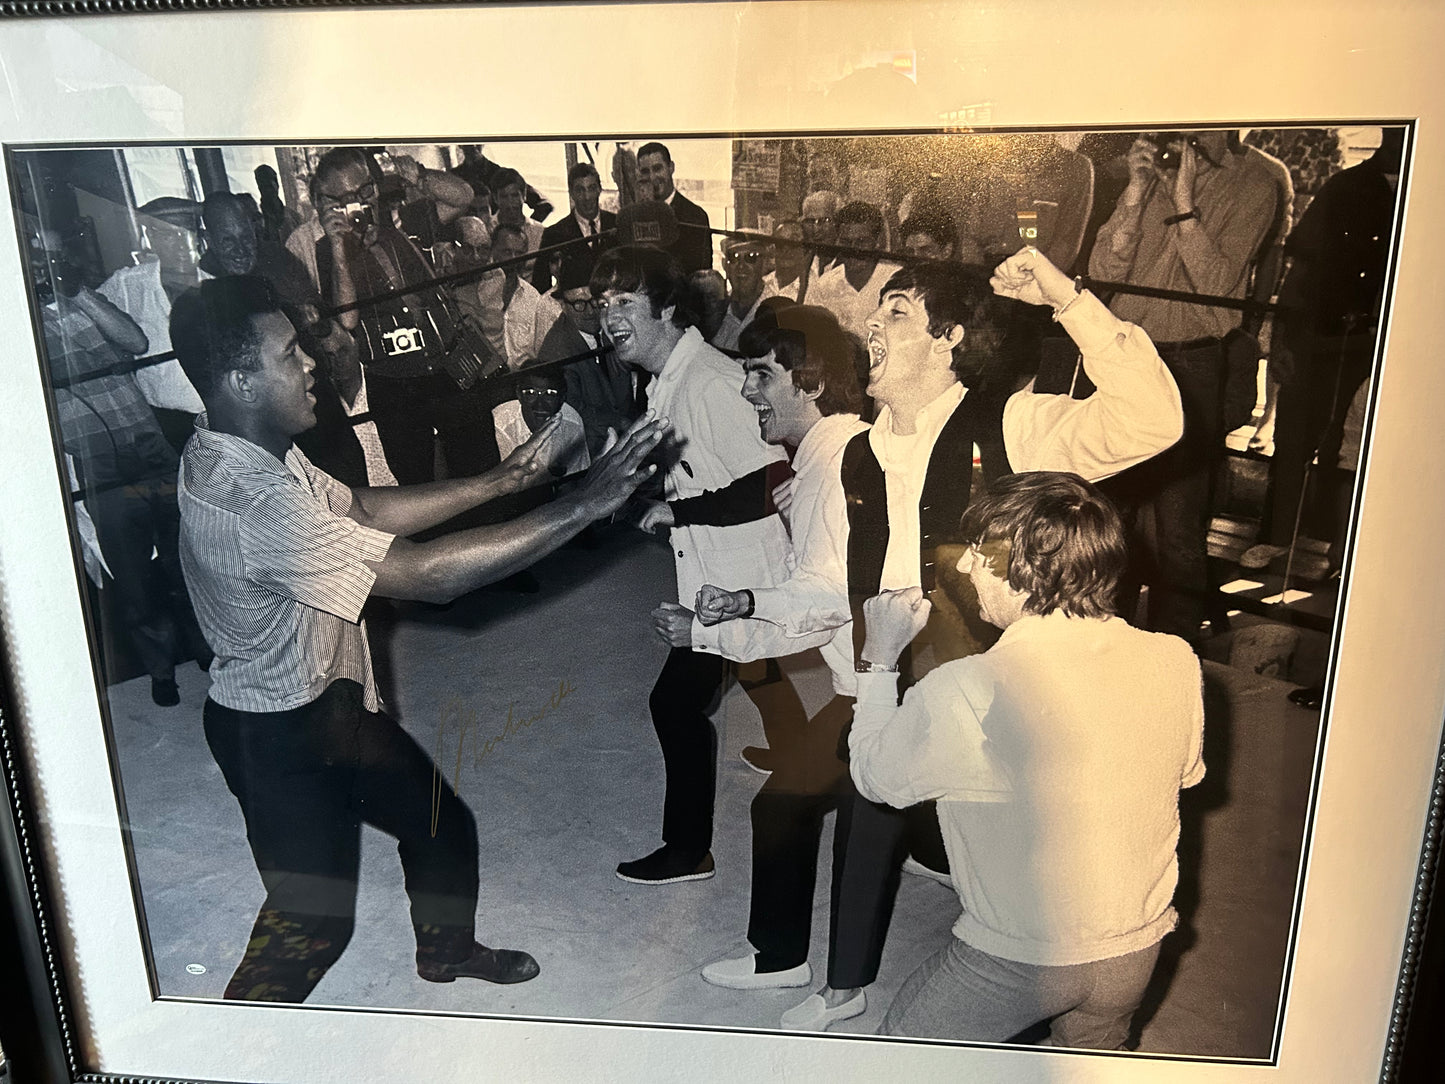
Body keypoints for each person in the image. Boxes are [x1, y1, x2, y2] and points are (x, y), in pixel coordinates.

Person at [168, 274, 665, 1003]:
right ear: (242, 380)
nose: (311, 361)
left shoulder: (255, 447)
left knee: (440, 825)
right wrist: (582, 506)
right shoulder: (250, 498)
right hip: (274, 735)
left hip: (331, 703)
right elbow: (428, 577)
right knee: (310, 925)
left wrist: (506, 478)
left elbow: (363, 507)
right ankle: (234, 1049)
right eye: (288, 352)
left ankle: (446, 953)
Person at [782, 247, 1184, 1032]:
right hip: (897, 665)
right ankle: (841, 985)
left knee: (1029, 872)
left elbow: (1151, 419)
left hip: (1002, 687)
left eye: (897, 310)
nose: (872, 320)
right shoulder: (856, 451)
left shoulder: (1014, 423)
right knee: (865, 798)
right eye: (877, 308)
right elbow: (844, 568)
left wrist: (1067, 299)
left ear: (949, 339)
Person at [849, 472, 1204, 1046]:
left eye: (978, 555)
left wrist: (879, 658)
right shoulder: (1175, 658)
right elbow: (1180, 775)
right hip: (1136, 950)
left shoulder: (968, 686)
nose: (964, 568)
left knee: (897, 1062)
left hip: (1019, 960)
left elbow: (874, 779)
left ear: (1022, 570)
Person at [592, 246, 800, 885]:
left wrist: (678, 515)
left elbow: (774, 474)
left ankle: (688, 850)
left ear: (668, 308)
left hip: (745, 571)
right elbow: (699, 469)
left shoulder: (709, 380)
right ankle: (803, 754)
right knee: (757, 665)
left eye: (624, 302)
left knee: (674, 705)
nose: (608, 316)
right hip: (718, 565)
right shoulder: (665, 379)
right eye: (602, 304)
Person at [690, 303, 869, 991]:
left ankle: (780, 960)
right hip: (883, 674)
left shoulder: (830, 466)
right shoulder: (840, 449)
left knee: (784, 805)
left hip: (877, 683)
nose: (746, 392)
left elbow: (824, 601)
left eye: (761, 376)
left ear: (813, 382)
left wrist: (745, 604)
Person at [1088, 130, 1279, 643]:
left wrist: (1183, 202)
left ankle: (1172, 659)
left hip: (1191, 364)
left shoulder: (1255, 182)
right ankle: (1105, 646)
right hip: (1126, 359)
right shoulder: (1150, 168)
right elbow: (1103, 268)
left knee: (1178, 528)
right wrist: (1135, 190)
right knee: (1110, 518)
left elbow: (1219, 285)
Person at [36, 227, 207, 706]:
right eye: (37, 258)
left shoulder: (87, 302)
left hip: (148, 445)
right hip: (99, 461)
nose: (45, 267)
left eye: (53, 257)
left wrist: (76, 293)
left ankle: (207, 648)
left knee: (185, 554)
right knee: (131, 576)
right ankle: (160, 670)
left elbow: (134, 340)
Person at [312, 147, 498, 484]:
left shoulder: (406, 219)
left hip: (449, 364)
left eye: (366, 190)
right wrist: (339, 250)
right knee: (417, 482)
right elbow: (348, 321)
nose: (362, 203)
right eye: (346, 198)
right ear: (327, 204)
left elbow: (463, 196)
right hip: (394, 382)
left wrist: (421, 177)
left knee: (481, 467)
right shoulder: (328, 250)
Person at [805, 201, 902, 343]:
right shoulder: (825, 284)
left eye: (862, 242)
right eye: (846, 242)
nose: (853, 249)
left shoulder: (896, 281)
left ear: (878, 242)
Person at [530, 161, 618, 293]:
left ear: (600, 189)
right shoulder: (554, 233)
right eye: (580, 190)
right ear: (571, 193)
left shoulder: (617, 224)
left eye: (591, 188)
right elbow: (541, 284)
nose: (587, 197)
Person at [636, 142, 713, 272]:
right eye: (645, 172)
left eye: (657, 169)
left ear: (671, 168)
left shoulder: (695, 215)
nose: (652, 177)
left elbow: (701, 274)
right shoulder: (634, 215)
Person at [763, 219, 810, 301]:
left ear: (804, 249)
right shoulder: (762, 285)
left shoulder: (813, 289)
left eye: (793, 243)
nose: (786, 250)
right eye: (780, 244)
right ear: (773, 248)